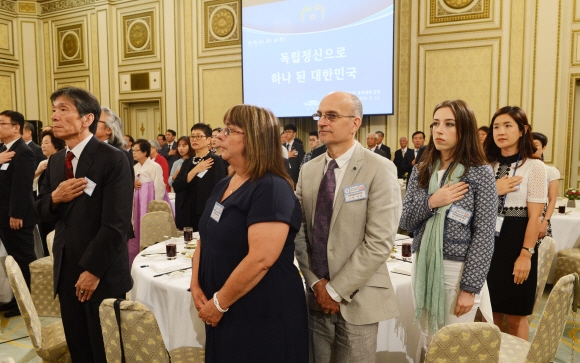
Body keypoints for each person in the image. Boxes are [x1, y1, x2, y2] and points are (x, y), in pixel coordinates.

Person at [192, 105, 308, 362]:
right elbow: (206, 235)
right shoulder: (225, 183)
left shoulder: (272, 188)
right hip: (225, 306)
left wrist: (220, 302)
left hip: (261, 311)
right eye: (222, 129)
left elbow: (261, 260)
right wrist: (195, 282)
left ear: (254, 139)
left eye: (230, 130)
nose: (219, 136)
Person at [295, 92, 401, 362]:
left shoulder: (380, 168)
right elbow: (300, 232)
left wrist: (335, 290)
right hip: (316, 300)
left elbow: (378, 242)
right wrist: (317, 283)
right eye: (319, 115)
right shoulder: (308, 170)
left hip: (358, 300)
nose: (322, 122)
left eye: (331, 116)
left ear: (355, 123)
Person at [35, 86, 133, 362]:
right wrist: (55, 197)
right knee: (79, 349)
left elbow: (116, 223)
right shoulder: (55, 162)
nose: (54, 116)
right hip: (66, 271)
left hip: (102, 273)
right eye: (54, 110)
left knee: (106, 351)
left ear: (87, 119)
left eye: (63, 109)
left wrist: (92, 270)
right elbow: (41, 212)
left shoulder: (113, 159)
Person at [399, 100, 497, 356]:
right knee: (427, 339)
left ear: (464, 130)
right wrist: (433, 201)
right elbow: (406, 221)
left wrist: (470, 288)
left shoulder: (480, 173)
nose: (439, 130)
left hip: (457, 271)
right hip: (423, 264)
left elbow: (485, 235)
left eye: (449, 124)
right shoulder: (422, 170)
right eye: (435, 124)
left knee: (452, 347)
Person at [483, 106, 546, 340]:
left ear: (523, 130)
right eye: (496, 126)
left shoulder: (534, 166)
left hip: (517, 243)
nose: (501, 131)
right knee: (490, 312)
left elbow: (534, 217)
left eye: (508, 125)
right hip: (487, 244)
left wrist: (526, 254)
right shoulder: (486, 165)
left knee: (516, 314)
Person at [0, 110, 38, 318]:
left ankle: (26, 301)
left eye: (1, 123)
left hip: (16, 218)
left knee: (22, 260)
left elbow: (21, 187)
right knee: (11, 261)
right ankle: (15, 298)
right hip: (4, 216)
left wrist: (16, 214)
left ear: (16, 127)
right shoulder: (2, 150)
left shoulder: (23, 151)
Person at [173, 123, 226, 232]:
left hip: (205, 211)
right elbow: (177, 186)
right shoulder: (188, 162)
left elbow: (219, 190)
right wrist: (196, 170)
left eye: (199, 136)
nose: (194, 139)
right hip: (187, 212)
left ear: (208, 140)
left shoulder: (215, 160)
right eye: (192, 136)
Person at [129, 139, 171, 264]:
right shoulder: (134, 167)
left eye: (137, 150)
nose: (134, 153)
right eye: (133, 150)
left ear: (145, 152)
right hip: (137, 199)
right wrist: (133, 183)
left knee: (149, 225)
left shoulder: (154, 166)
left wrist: (156, 205)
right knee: (136, 226)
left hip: (149, 198)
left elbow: (159, 186)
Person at [34, 129, 66, 256]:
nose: (43, 145)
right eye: (42, 143)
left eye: (47, 143)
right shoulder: (43, 163)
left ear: (56, 144)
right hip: (43, 205)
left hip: (56, 210)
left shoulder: (62, 161)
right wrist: (38, 171)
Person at [532, 132, 559, 239]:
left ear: (544, 148)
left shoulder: (551, 171)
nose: (532, 147)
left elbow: (552, 199)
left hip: (541, 216)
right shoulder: (520, 169)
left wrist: (545, 222)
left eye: (536, 144)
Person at [98, 107, 134, 181]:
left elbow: (124, 188)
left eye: (96, 121)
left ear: (108, 129)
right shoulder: (88, 149)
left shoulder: (121, 154)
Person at [168, 136, 194, 229]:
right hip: (179, 195)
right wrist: (176, 174)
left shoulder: (193, 161)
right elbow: (170, 181)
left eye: (184, 145)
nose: (181, 148)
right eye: (179, 146)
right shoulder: (176, 163)